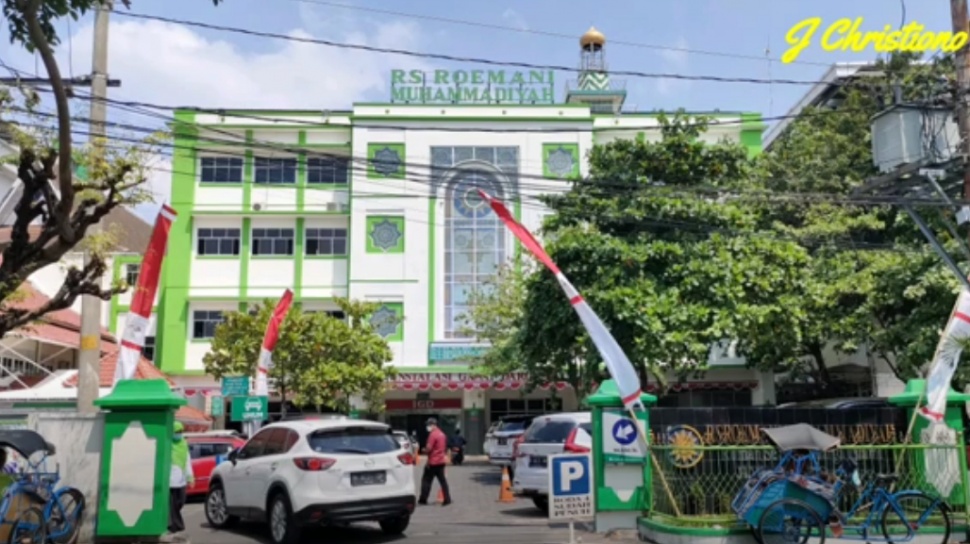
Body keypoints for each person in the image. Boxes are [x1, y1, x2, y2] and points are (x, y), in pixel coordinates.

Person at [418, 418, 451, 506]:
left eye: (428, 425)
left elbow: (429, 448)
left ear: (433, 425)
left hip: (432, 462)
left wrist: (423, 450)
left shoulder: (433, 435)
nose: (427, 427)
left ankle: (423, 499)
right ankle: (447, 499)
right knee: (443, 481)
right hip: (441, 461)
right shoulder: (442, 434)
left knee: (426, 481)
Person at [169, 421, 194, 535]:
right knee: (173, 505)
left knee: (181, 502)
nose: (179, 433)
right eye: (177, 431)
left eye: (180, 431)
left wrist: (190, 478)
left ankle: (175, 523)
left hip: (181, 480)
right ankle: (176, 525)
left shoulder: (183, 444)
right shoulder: (168, 444)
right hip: (170, 482)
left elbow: (187, 462)